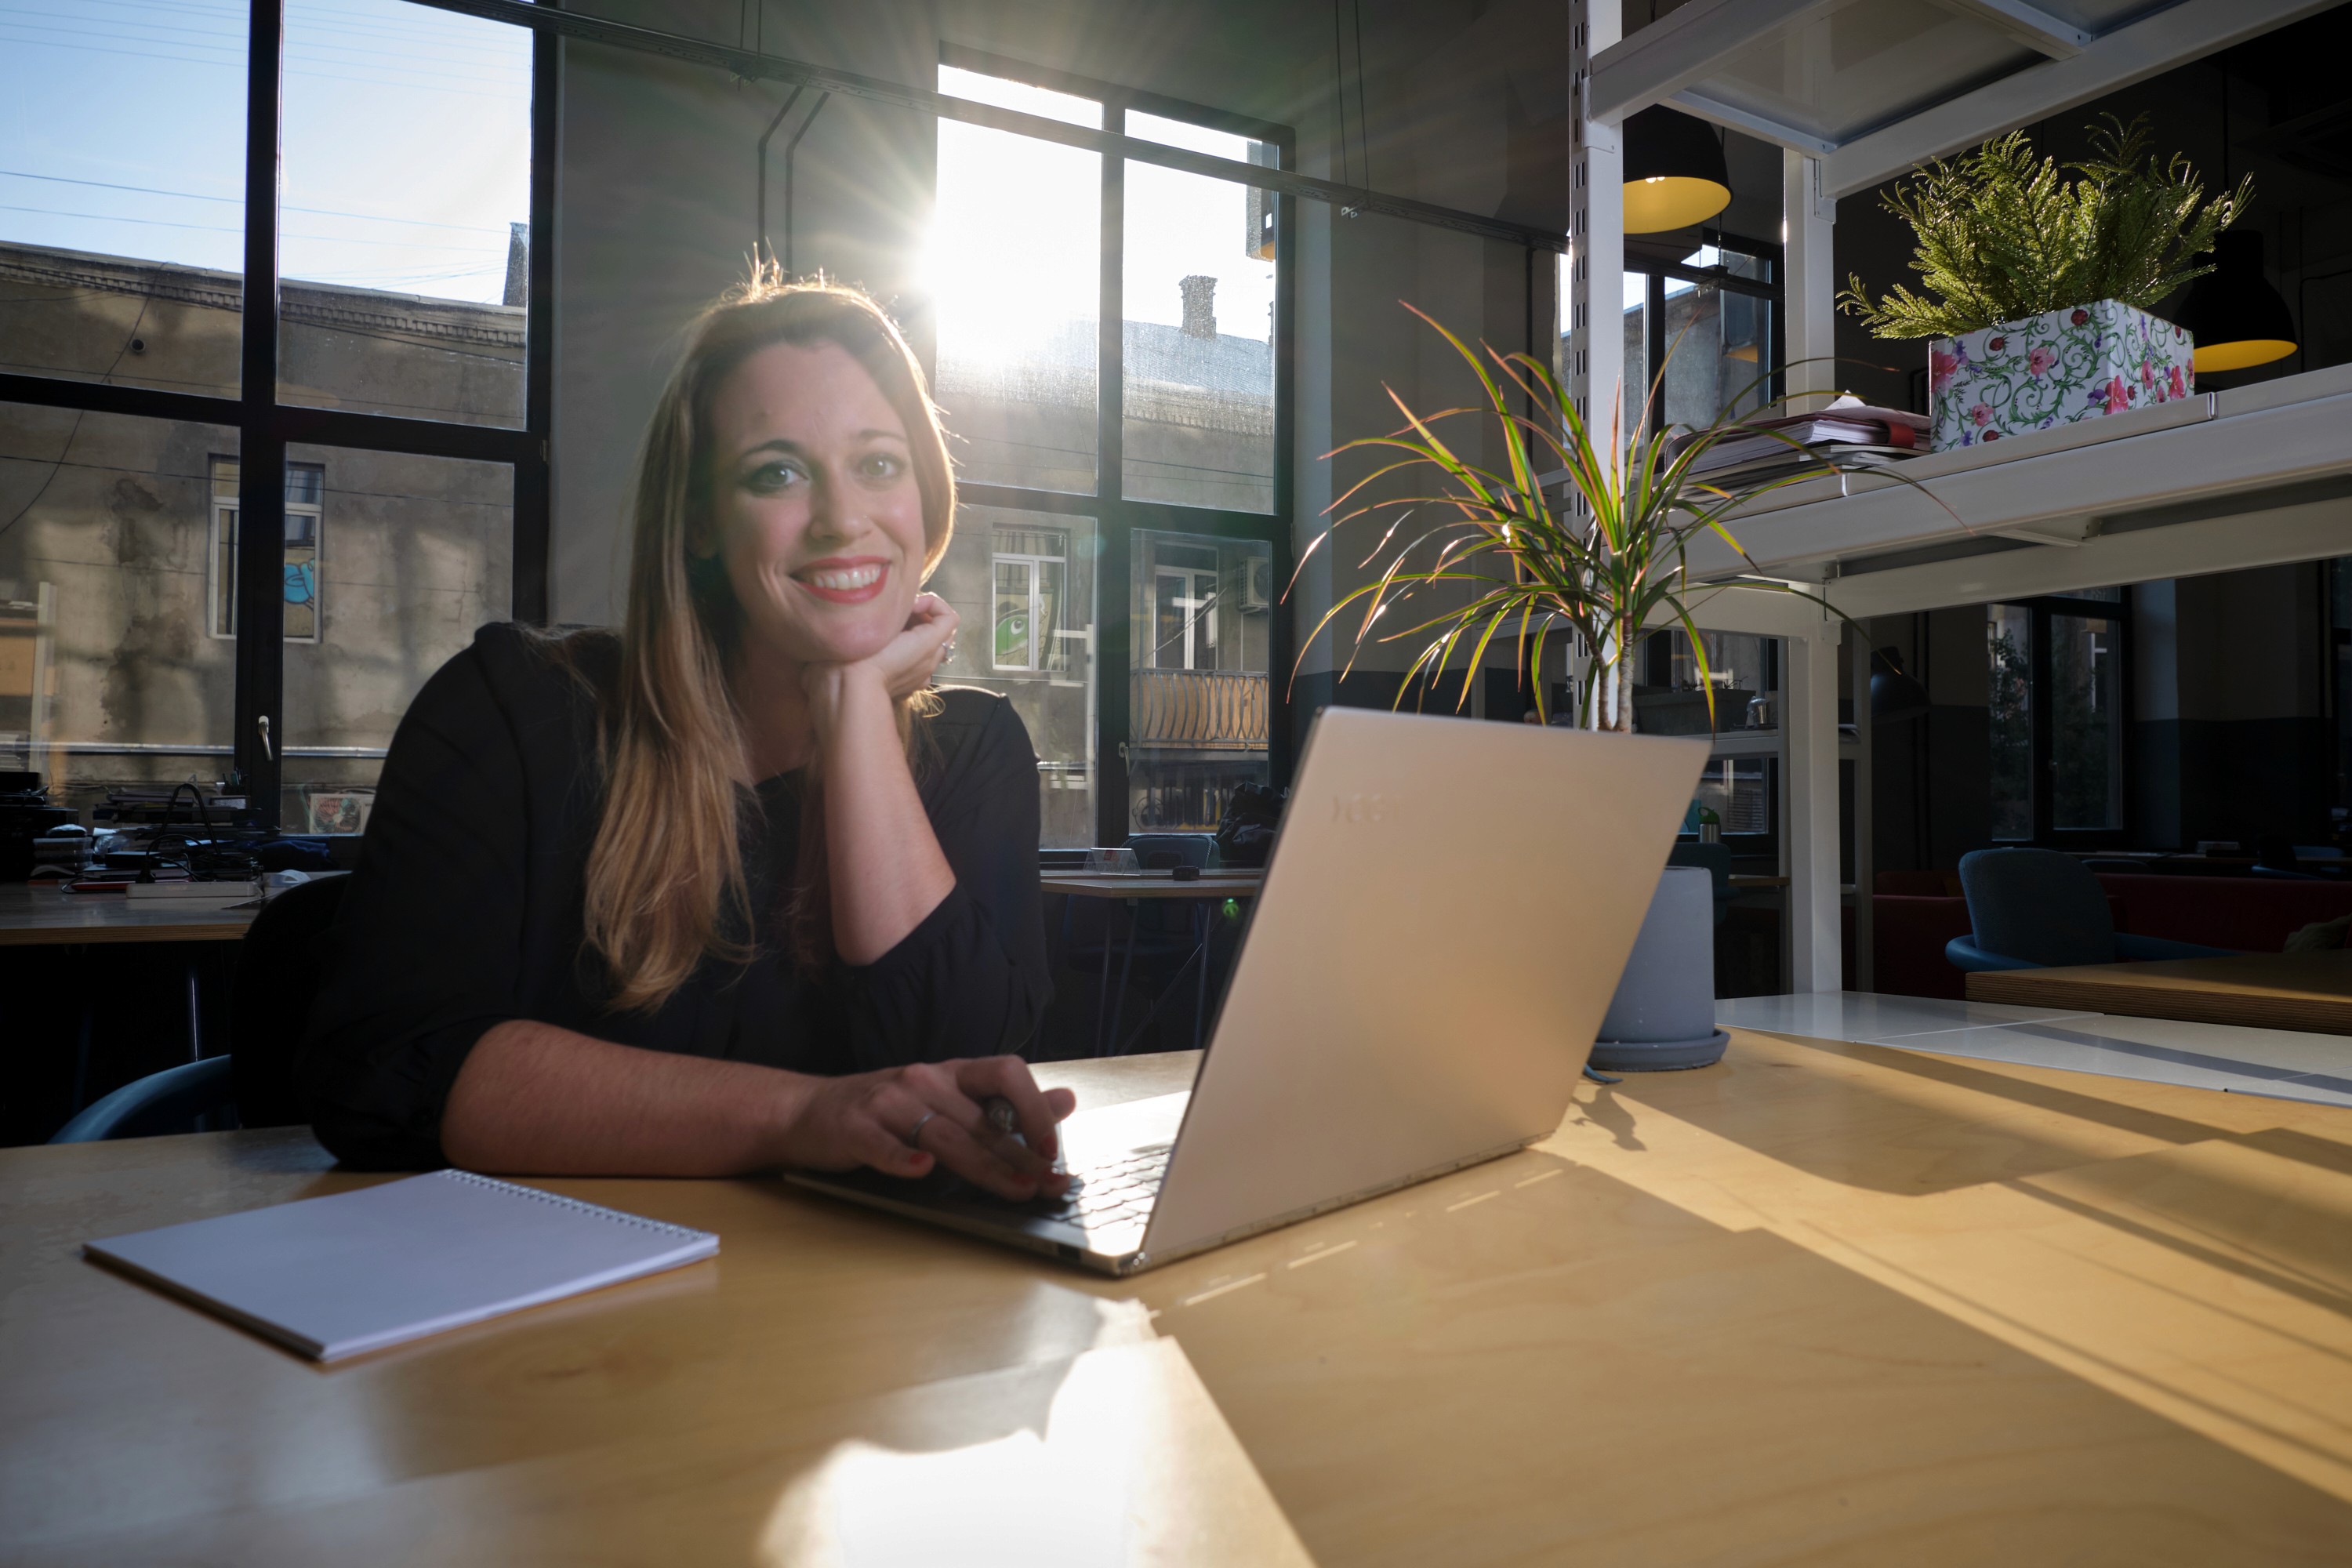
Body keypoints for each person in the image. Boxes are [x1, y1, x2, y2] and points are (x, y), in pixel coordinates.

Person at [300, 277, 1072, 1201]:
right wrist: (801, 1116)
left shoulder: (977, 745)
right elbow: (387, 1070)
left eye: (877, 464)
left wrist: (853, 702)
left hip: (867, 1308)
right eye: (776, 472)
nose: (841, 519)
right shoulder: (515, 713)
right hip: (555, 1305)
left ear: (924, 497)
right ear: (701, 519)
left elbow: (952, 1090)